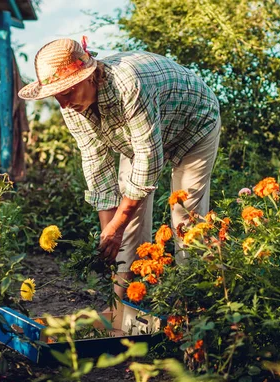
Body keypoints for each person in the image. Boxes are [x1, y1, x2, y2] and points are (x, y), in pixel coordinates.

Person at [18, 37, 221, 302]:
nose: (63, 104)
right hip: (137, 138)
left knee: (185, 218)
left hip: (194, 124)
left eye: (66, 93)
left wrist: (117, 226)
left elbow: (149, 160)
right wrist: (110, 236)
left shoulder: (128, 86)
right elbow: (96, 166)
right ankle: (124, 307)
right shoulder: (72, 108)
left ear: (88, 77)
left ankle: (190, 310)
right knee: (126, 224)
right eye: (57, 96)